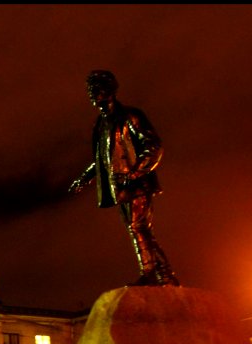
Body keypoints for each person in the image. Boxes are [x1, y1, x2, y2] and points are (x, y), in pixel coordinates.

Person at [69, 70, 179, 287]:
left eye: (97, 89)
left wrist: (136, 172)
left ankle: (153, 274)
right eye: (90, 91)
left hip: (137, 183)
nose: (92, 94)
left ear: (110, 90)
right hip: (118, 187)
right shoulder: (100, 125)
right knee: (138, 228)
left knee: (138, 227)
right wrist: (84, 178)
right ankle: (163, 274)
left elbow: (153, 146)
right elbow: (102, 160)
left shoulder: (130, 115)